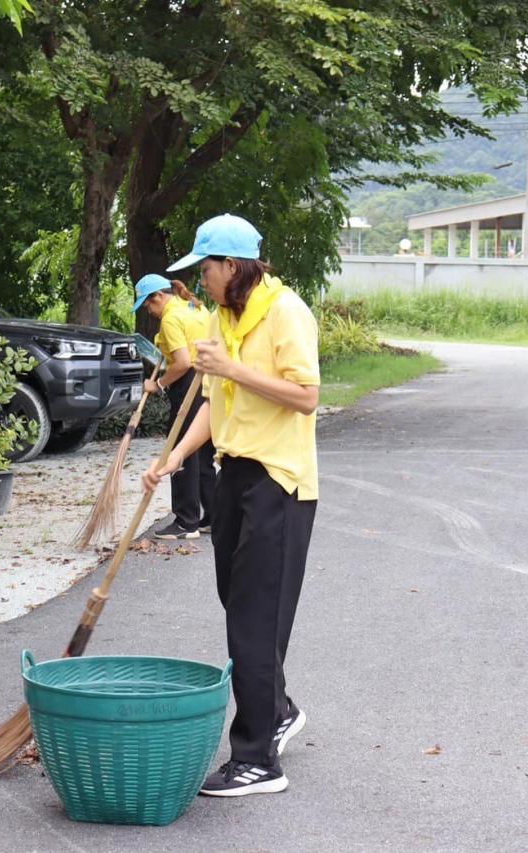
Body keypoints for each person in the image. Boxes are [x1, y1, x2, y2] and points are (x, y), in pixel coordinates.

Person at [144, 214, 319, 797]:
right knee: (236, 603)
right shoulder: (223, 317)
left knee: (253, 616)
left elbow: (306, 397)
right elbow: (217, 405)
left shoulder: (286, 312)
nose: (201, 279)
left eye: (206, 267)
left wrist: (232, 368)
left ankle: (258, 758)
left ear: (233, 266)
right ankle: (280, 708)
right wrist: (174, 460)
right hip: (233, 476)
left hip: (280, 480)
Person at [132, 274, 215, 539]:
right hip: (208, 381)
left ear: (158, 296)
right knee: (202, 455)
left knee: (180, 452)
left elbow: (181, 362)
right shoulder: (194, 307)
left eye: (148, 305)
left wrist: (159, 384)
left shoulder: (170, 318)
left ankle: (185, 522)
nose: (149, 311)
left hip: (187, 383)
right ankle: (212, 517)